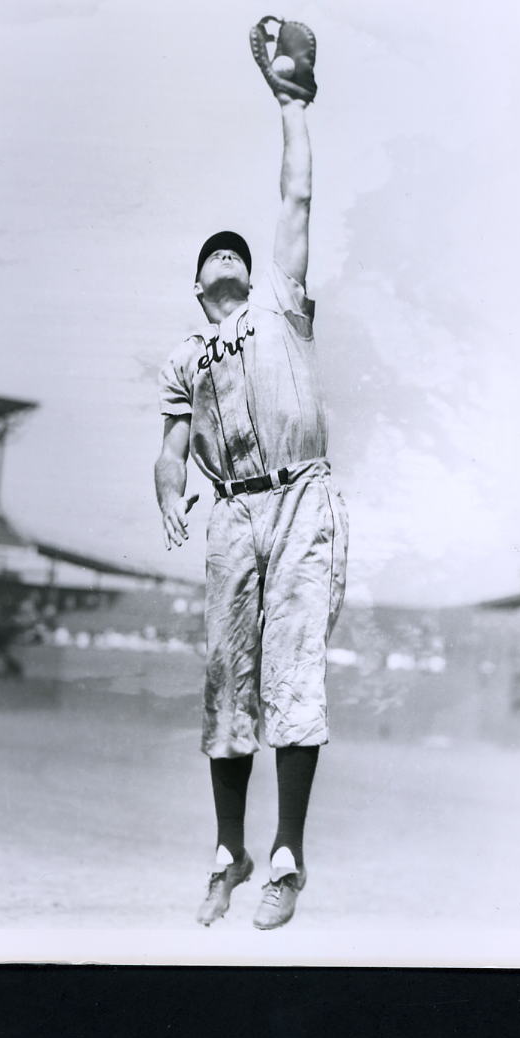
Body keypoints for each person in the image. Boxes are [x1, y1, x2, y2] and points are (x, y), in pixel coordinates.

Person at [154, 62, 348, 931]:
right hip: (231, 507)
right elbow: (168, 449)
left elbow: (296, 199)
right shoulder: (185, 352)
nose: (228, 255)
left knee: (294, 672)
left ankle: (287, 854)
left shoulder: (279, 303)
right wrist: (168, 494)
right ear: (200, 287)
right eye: (213, 255)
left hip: (300, 495)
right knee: (226, 680)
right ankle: (227, 852)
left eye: (236, 250)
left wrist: (291, 109)